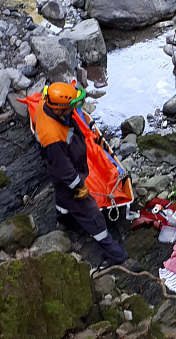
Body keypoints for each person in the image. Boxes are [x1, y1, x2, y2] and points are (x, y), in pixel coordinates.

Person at [34, 81, 128, 266]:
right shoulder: (52, 136)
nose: (74, 110)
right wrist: (79, 185)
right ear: (59, 110)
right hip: (65, 168)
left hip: (58, 164)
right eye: (71, 107)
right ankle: (115, 253)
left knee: (61, 193)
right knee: (91, 212)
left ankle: (64, 219)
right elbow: (63, 168)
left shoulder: (45, 104)